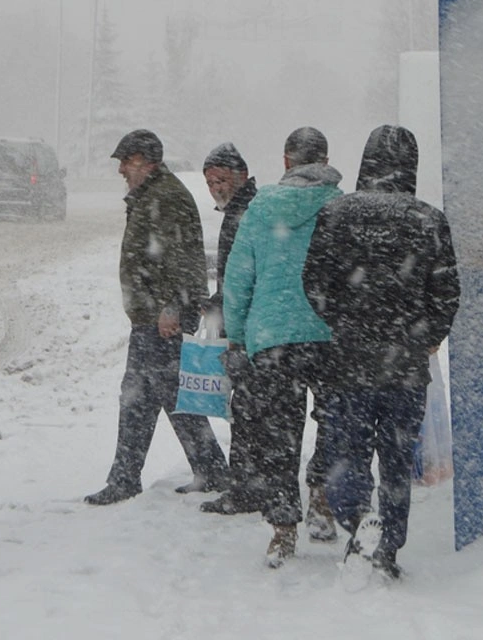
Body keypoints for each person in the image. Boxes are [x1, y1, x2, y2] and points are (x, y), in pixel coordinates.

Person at [303, 125, 459, 581]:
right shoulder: (429, 219)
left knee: (347, 450)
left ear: (366, 161)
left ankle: (356, 519)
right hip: (405, 366)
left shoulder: (337, 214)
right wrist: (426, 335)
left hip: (347, 361)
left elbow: (314, 284)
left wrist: (342, 322)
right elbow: (447, 292)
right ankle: (388, 547)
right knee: (395, 460)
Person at [220, 127, 343, 567]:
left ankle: (283, 527)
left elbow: (238, 278)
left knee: (278, 436)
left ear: (286, 161)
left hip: (272, 339)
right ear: (325, 160)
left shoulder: (261, 208)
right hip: (330, 336)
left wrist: (236, 334)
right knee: (333, 424)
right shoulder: (340, 206)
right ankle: (323, 499)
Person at [85, 129, 230, 505]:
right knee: (156, 398)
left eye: (125, 162)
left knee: (148, 398)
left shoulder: (166, 198)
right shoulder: (151, 195)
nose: (120, 170)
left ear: (145, 163)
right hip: (150, 318)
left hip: (160, 321)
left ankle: (129, 478)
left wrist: (174, 307)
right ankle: (206, 470)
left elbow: (183, 259)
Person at [197, 142, 266, 516]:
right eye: (210, 182)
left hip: (248, 331)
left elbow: (244, 278)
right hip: (248, 325)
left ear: (240, 176)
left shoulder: (246, 213)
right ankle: (253, 485)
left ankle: (247, 489)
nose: (216, 188)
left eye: (221, 179)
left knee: (248, 411)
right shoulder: (240, 210)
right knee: (250, 410)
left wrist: (225, 304)